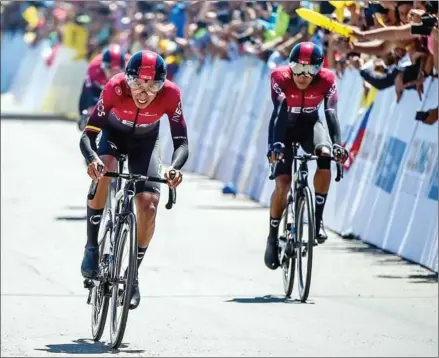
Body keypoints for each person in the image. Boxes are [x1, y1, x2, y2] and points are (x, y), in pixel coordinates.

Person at [79, 50, 189, 309]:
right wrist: (92, 160)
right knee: (106, 167)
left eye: (153, 86)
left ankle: (132, 275)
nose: (143, 92)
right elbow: (88, 134)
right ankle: (92, 246)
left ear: (162, 84)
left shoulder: (171, 94)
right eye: (137, 84)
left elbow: (181, 142)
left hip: (146, 144)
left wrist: (174, 167)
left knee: (149, 205)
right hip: (113, 137)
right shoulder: (114, 87)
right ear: (127, 80)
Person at [265, 42, 348, 270]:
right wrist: (278, 145)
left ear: (319, 69)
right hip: (284, 127)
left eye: (310, 70)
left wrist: (338, 145)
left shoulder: (328, 79)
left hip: (310, 126)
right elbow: (280, 111)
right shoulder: (279, 76)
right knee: (283, 183)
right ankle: (273, 236)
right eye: (298, 69)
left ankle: (318, 219)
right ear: (290, 66)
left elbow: (330, 114)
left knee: (325, 153)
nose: (302, 76)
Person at [77, 44, 130, 131]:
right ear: (103, 67)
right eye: (110, 70)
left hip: (121, 88)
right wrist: (87, 111)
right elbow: (87, 93)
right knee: (90, 109)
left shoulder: (131, 66)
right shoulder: (93, 69)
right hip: (98, 88)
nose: (113, 74)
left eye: (117, 71)